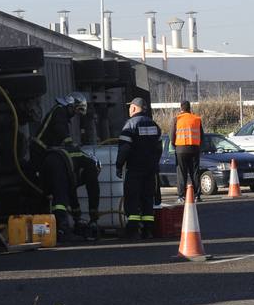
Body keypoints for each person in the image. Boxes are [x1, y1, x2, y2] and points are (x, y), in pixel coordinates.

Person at [34, 94, 100, 240]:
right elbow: (60, 129)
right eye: (75, 110)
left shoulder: (72, 162)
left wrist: (77, 218)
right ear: (70, 105)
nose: (75, 114)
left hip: (48, 157)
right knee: (60, 194)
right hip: (41, 154)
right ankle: (62, 228)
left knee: (50, 192)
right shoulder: (60, 111)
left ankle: (49, 229)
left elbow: (73, 191)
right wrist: (93, 216)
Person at [116, 97, 163, 239]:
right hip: (150, 170)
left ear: (135, 108)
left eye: (130, 107)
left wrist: (119, 165)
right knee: (147, 198)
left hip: (135, 169)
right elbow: (159, 148)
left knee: (133, 198)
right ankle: (148, 230)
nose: (129, 110)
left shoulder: (130, 124)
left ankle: (133, 230)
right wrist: (154, 163)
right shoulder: (154, 125)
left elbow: (124, 148)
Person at [172, 99, 205, 201]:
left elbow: (172, 135)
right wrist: (198, 146)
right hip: (194, 148)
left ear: (181, 108)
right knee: (195, 172)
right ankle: (197, 195)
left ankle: (181, 196)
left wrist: (175, 145)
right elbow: (202, 136)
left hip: (181, 149)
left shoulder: (176, 119)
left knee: (181, 172)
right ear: (190, 108)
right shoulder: (196, 119)